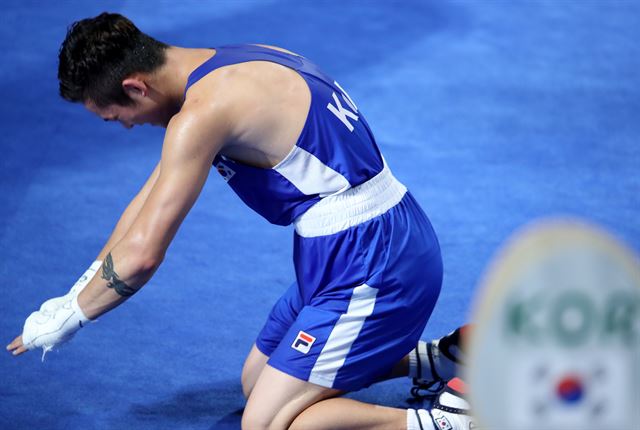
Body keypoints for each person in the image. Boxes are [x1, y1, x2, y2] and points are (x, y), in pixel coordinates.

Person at [6, 13, 471, 430]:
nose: (126, 127)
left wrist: (73, 318)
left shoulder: (202, 116)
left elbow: (143, 256)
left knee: (270, 424)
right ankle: (438, 359)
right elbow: (143, 206)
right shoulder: (240, 62)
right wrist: (76, 289)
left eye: (116, 117)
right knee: (256, 384)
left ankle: (448, 422)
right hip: (357, 247)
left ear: (135, 87)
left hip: (373, 264)